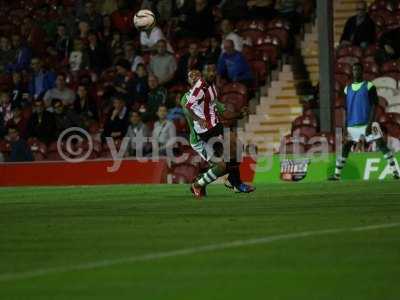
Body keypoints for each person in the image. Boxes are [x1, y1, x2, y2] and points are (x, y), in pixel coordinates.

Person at [185, 68, 254, 198]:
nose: (194, 77)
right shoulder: (187, 98)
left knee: (237, 147)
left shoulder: (209, 92)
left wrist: (240, 114)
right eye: (190, 76)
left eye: (196, 74)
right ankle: (201, 181)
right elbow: (190, 112)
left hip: (214, 129)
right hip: (200, 139)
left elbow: (223, 112)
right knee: (223, 165)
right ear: (188, 81)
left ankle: (235, 183)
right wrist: (200, 119)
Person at [330, 63, 399, 180]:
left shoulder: (369, 86)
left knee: (381, 145)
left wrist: (370, 123)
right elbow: (347, 109)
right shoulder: (347, 89)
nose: (356, 71)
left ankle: (395, 172)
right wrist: (345, 126)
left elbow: (374, 106)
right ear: (352, 72)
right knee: (346, 147)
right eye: (354, 69)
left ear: (362, 72)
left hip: (368, 123)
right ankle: (336, 175)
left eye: (358, 69)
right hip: (352, 125)